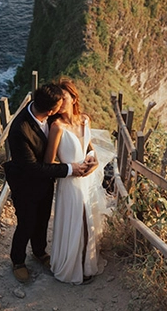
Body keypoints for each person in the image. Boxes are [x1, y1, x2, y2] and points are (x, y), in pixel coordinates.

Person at [3, 83, 93, 283]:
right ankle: (17, 261)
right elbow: (32, 168)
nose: (62, 108)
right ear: (51, 110)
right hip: (25, 182)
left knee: (43, 218)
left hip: (46, 179)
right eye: (59, 106)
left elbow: (78, 135)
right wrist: (70, 169)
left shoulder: (50, 115)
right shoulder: (20, 130)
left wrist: (89, 154)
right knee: (26, 223)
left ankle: (39, 251)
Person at [45, 78, 107, 284]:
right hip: (70, 182)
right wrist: (71, 169)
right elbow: (49, 162)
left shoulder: (85, 120)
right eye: (58, 100)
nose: (60, 104)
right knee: (76, 222)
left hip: (87, 179)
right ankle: (72, 267)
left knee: (87, 221)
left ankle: (86, 264)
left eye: (64, 98)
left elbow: (89, 147)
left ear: (73, 98)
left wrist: (94, 160)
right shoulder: (56, 127)